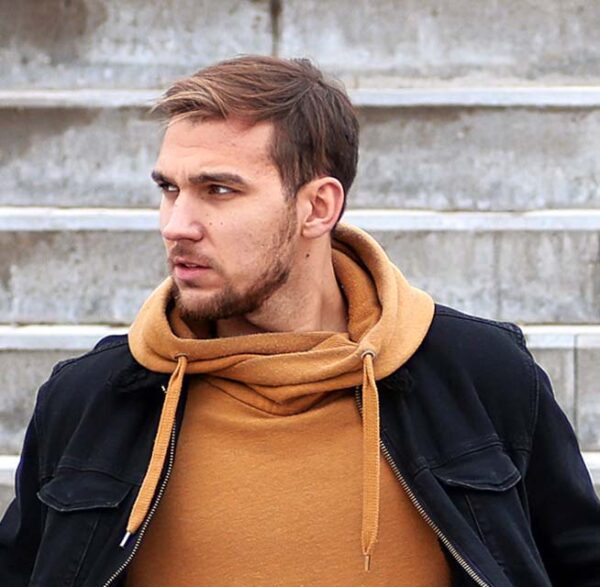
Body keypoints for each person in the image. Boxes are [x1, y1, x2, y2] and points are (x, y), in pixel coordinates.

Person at [0, 55, 599, 587]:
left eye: (218, 190)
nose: (176, 224)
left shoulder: (481, 376)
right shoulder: (90, 399)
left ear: (317, 207)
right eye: (170, 189)